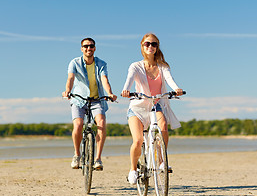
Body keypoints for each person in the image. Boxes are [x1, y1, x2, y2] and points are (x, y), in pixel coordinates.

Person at [121, 33, 184, 184]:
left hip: (156, 105)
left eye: (154, 44)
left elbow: (170, 80)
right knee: (138, 141)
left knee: (163, 128)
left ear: (157, 47)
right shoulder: (135, 66)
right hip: (138, 108)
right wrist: (125, 90)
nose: (150, 47)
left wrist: (176, 88)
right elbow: (129, 79)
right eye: (147, 44)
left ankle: (162, 161)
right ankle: (133, 169)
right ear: (142, 46)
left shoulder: (163, 66)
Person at [62, 37, 117, 170]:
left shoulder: (101, 63)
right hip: (79, 99)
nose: (88, 48)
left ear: (95, 48)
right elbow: (70, 78)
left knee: (102, 123)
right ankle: (77, 154)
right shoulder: (74, 62)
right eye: (86, 46)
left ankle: (97, 158)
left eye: (91, 46)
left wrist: (109, 93)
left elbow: (104, 79)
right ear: (82, 49)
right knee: (79, 124)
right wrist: (67, 91)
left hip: (97, 99)